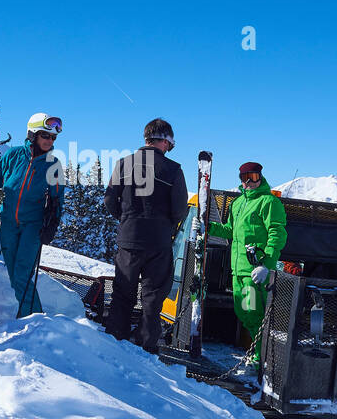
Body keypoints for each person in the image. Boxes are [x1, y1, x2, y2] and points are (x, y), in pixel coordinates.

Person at [103, 119, 188, 353]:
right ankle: (146, 345)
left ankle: (114, 340)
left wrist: (127, 219)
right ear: (166, 141)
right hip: (158, 242)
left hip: (129, 239)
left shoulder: (123, 164)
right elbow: (180, 209)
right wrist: (165, 226)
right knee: (153, 296)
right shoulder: (173, 170)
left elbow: (110, 199)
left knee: (123, 292)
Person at [0, 113, 64, 318]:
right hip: (8, 222)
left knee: (23, 273)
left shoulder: (53, 164)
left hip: (33, 225)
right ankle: (30, 316)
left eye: (53, 138)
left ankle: (32, 319)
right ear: (33, 134)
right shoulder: (13, 155)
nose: (49, 141)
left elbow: (57, 200)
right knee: (13, 274)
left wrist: (51, 226)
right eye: (45, 135)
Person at [207, 162, 288, 367]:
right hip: (238, 270)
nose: (248, 182)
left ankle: (262, 360)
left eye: (252, 176)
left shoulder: (269, 202)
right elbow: (229, 231)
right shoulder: (237, 203)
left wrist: (267, 265)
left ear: (260, 176)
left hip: (255, 271)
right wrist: (208, 226)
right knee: (244, 313)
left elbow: (277, 234)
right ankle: (259, 355)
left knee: (253, 313)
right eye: (244, 178)